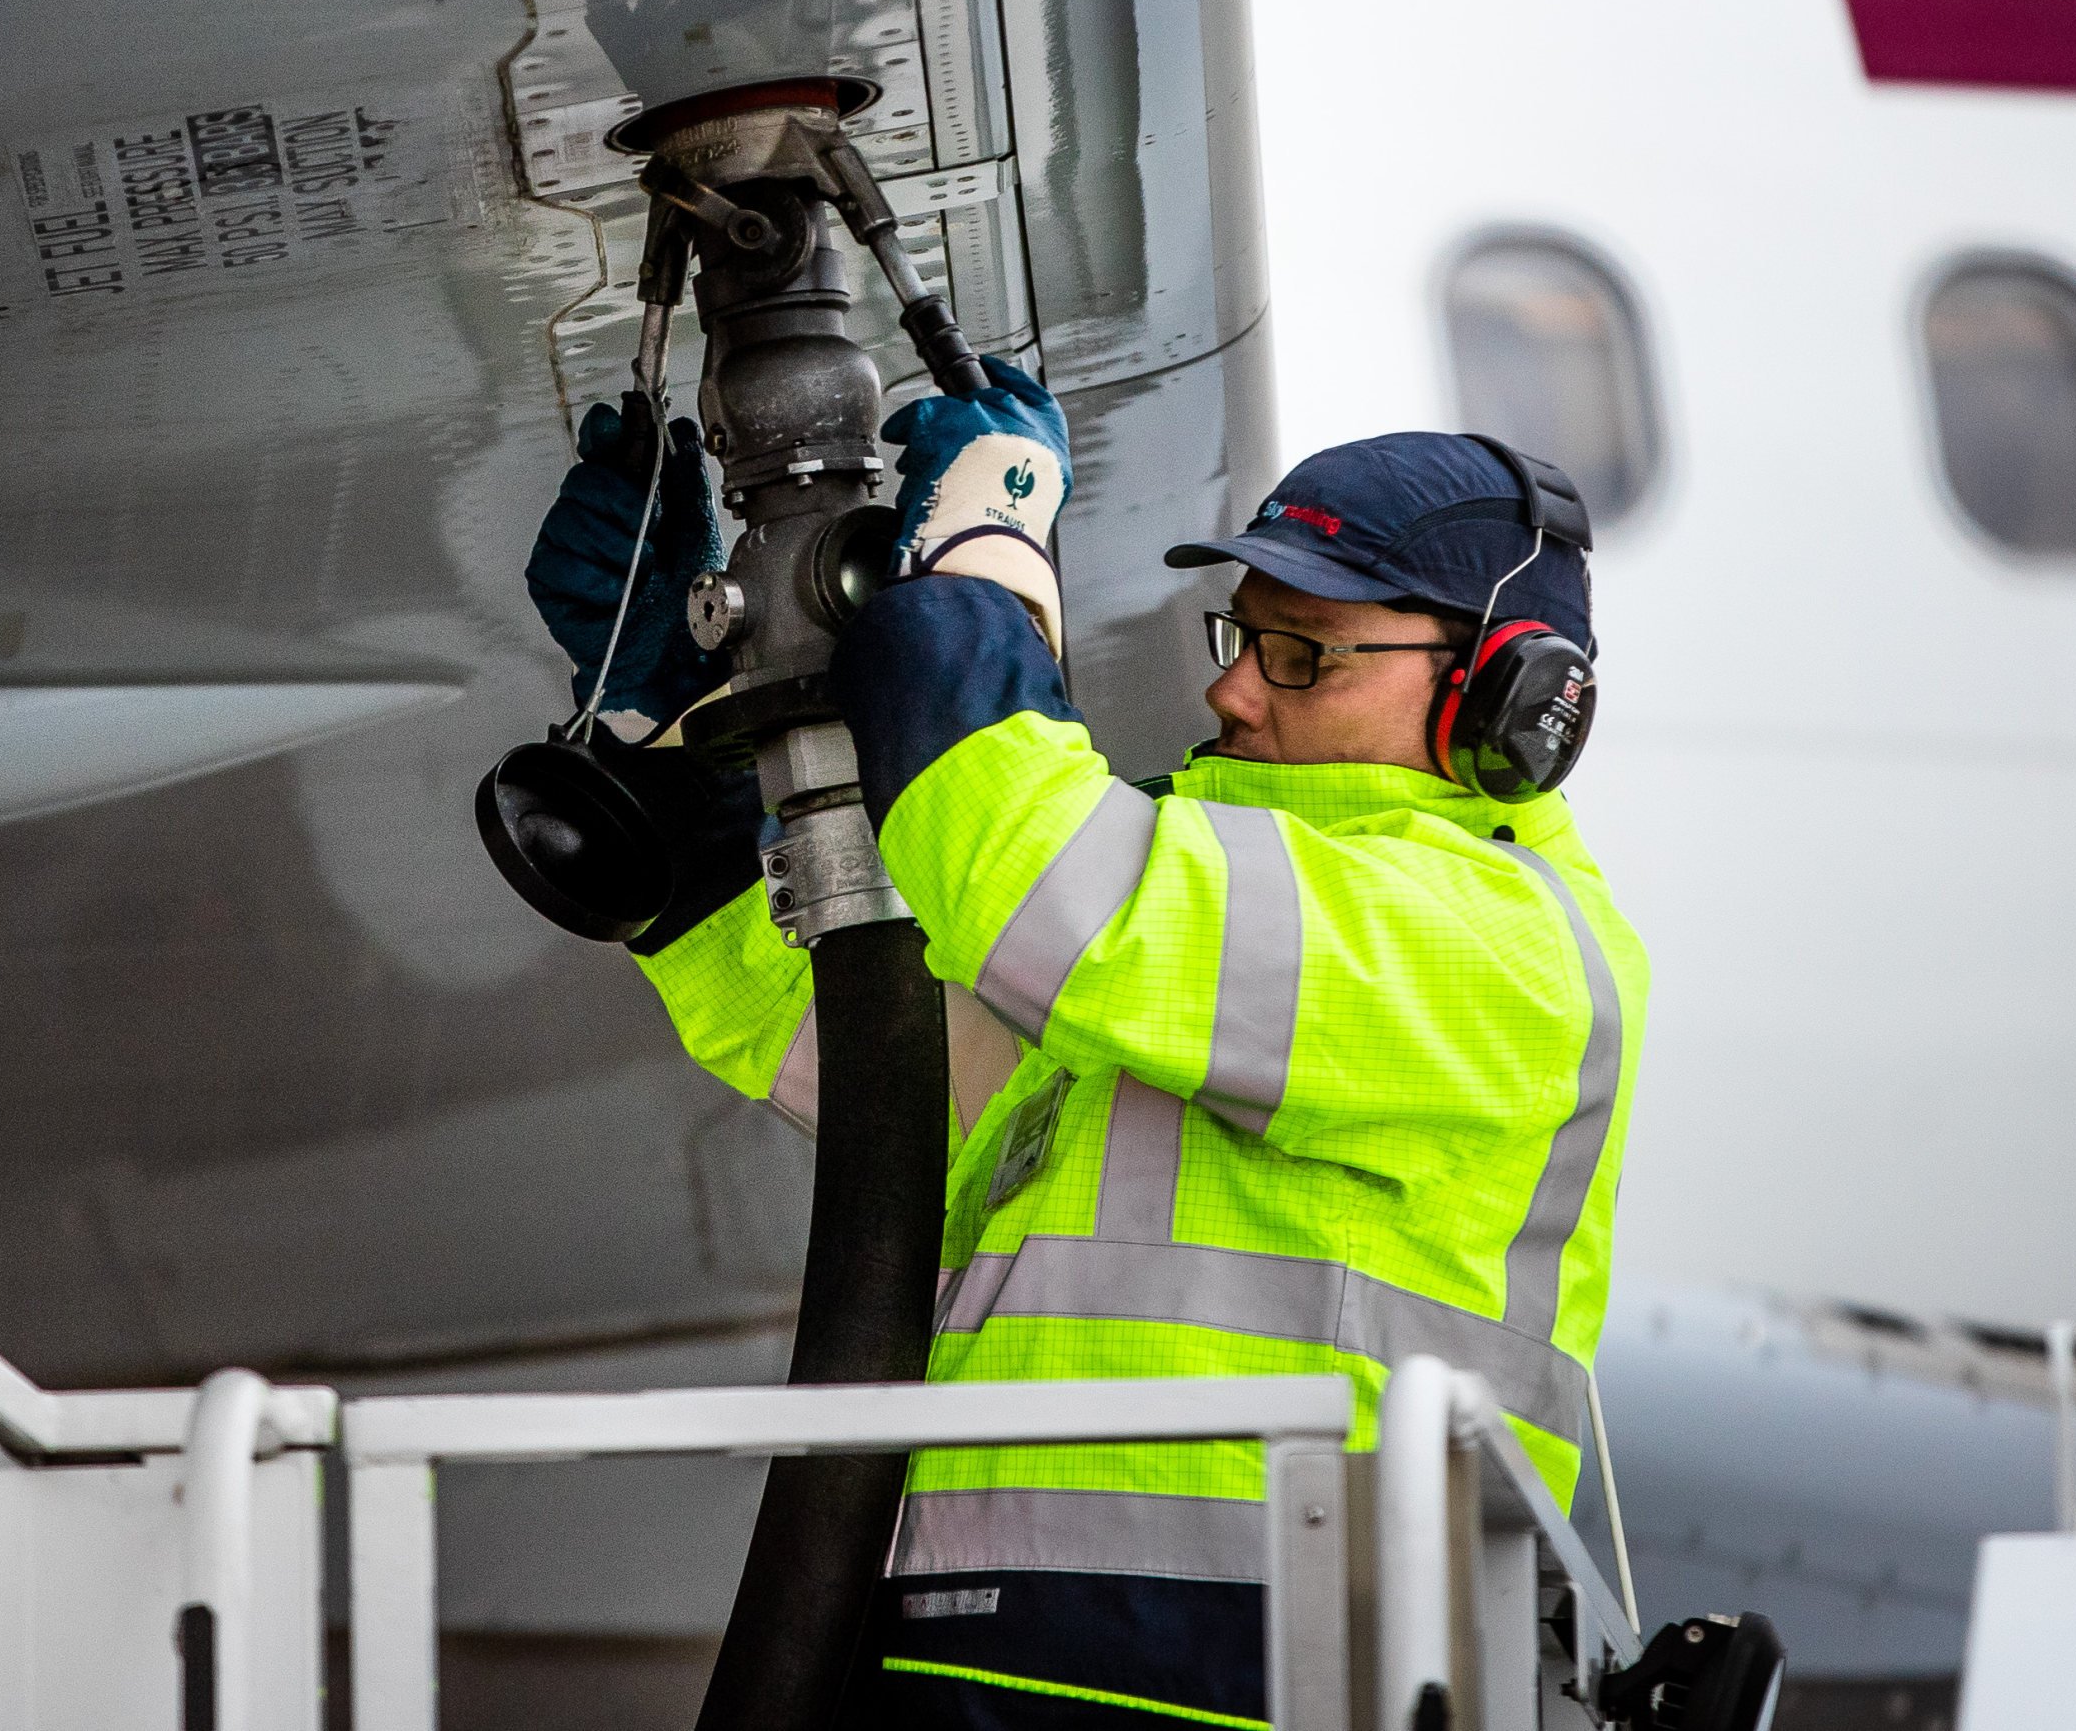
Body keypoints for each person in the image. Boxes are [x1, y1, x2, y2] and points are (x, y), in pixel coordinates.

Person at [525, 369, 1648, 1729]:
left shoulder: (1501, 944)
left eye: (1303, 656)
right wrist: (679, 767)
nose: (1236, 691)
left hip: (1263, 1677)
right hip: (1015, 1661)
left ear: (1507, 701)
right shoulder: (1199, 942)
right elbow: (888, 1074)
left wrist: (988, 549)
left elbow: (1040, 877)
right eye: (1243, 637)